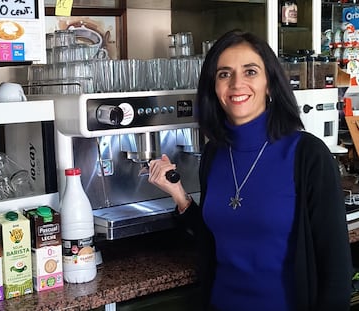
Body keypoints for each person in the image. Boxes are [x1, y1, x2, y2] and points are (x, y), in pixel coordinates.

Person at [148, 30, 353, 311]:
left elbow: (336, 271)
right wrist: (179, 196)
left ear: (270, 83)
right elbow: (220, 234)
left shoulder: (308, 155)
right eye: (224, 74)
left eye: (250, 71)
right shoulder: (214, 153)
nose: (236, 84)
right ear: (214, 87)